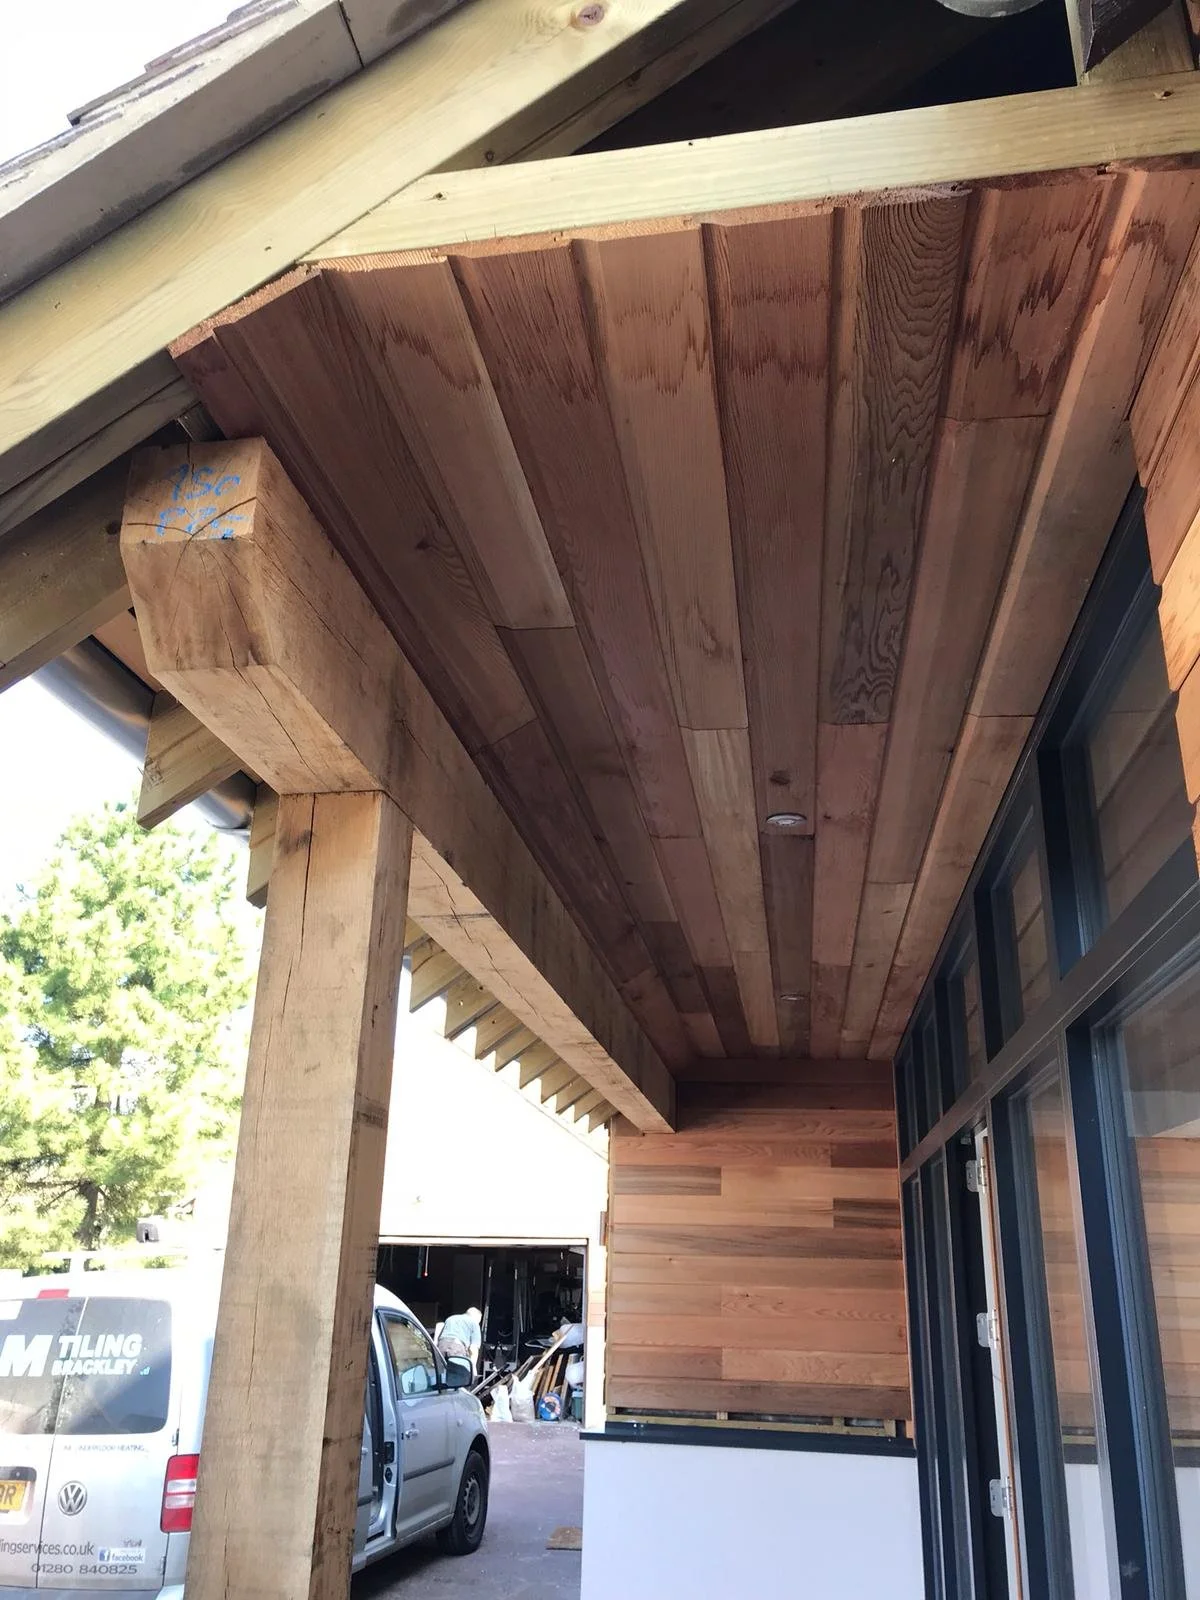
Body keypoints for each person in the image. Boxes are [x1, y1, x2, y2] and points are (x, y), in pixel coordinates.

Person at [436, 1305, 482, 1376]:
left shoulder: (450, 1318)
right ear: (477, 1318)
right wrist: (473, 1368)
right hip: (457, 1348)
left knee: (440, 1376)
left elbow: (439, 1333)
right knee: (459, 1378)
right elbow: (473, 1349)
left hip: (441, 1347)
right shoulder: (474, 1323)